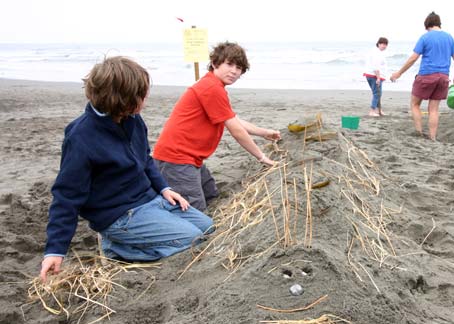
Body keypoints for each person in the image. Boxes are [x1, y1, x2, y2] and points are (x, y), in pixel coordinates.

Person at [40, 56, 214, 282]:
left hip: (151, 201)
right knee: (193, 240)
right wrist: (55, 250)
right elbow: (66, 195)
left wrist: (164, 188)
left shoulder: (132, 119)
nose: (146, 99)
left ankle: (130, 241)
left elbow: (145, 159)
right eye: (142, 95)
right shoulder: (81, 136)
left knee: (209, 229)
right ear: (123, 99)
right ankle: (116, 248)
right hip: (120, 216)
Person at [153, 41, 281, 212]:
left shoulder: (213, 85)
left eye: (239, 68)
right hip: (177, 159)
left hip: (191, 158)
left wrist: (264, 133)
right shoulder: (212, 87)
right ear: (215, 63)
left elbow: (231, 119)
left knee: (211, 195)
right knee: (194, 211)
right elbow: (235, 130)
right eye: (229, 64)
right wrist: (262, 157)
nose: (234, 71)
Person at [390, 12, 454, 140]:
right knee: (433, 109)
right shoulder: (449, 38)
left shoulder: (425, 37)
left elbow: (413, 58)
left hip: (427, 75)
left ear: (427, 25)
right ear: (439, 24)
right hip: (444, 77)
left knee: (415, 104)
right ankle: (432, 137)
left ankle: (419, 132)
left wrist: (399, 73)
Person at [364, 37, 389, 117]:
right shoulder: (376, 53)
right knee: (377, 94)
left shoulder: (376, 51)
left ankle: (379, 110)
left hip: (372, 75)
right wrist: (378, 78)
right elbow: (375, 66)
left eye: (386, 44)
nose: (384, 46)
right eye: (383, 44)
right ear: (378, 44)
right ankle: (372, 111)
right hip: (374, 76)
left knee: (378, 94)